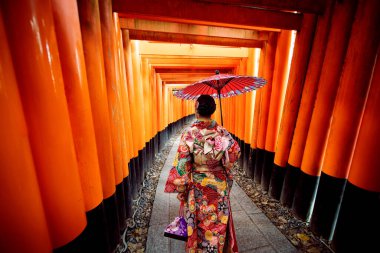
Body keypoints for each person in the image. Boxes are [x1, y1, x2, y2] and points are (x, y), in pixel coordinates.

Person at [165, 94, 241, 253]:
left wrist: (182, 189)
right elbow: (235, 153)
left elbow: (182, 164)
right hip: (219, 187)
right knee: (217, 223)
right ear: (213, 110)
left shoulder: (190, 133)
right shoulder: (221, 131)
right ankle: (215, 248)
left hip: (198, 188)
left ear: (196, 110)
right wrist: (223, 160)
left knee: (198, 223)